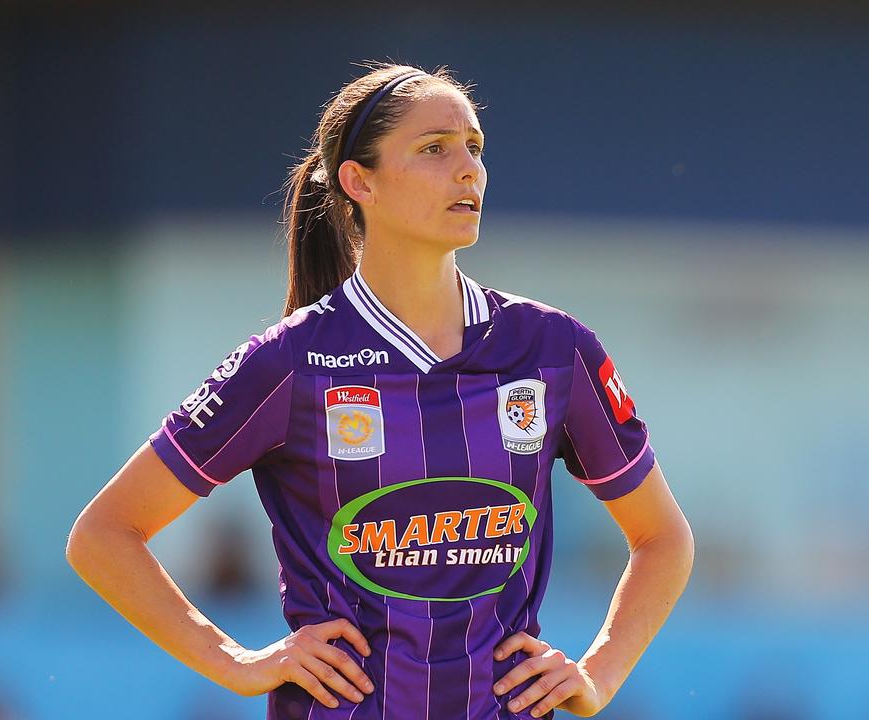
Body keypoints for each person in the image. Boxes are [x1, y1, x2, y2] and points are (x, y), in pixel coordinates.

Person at [65, 62, 695, 720]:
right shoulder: (289, 362)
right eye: (434, 149)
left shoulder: (553, 350)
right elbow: (105, 534)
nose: (468, 169)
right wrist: (236, 661)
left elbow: (663, 539)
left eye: (474, 147)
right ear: (358, 180)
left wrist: (598, 674)